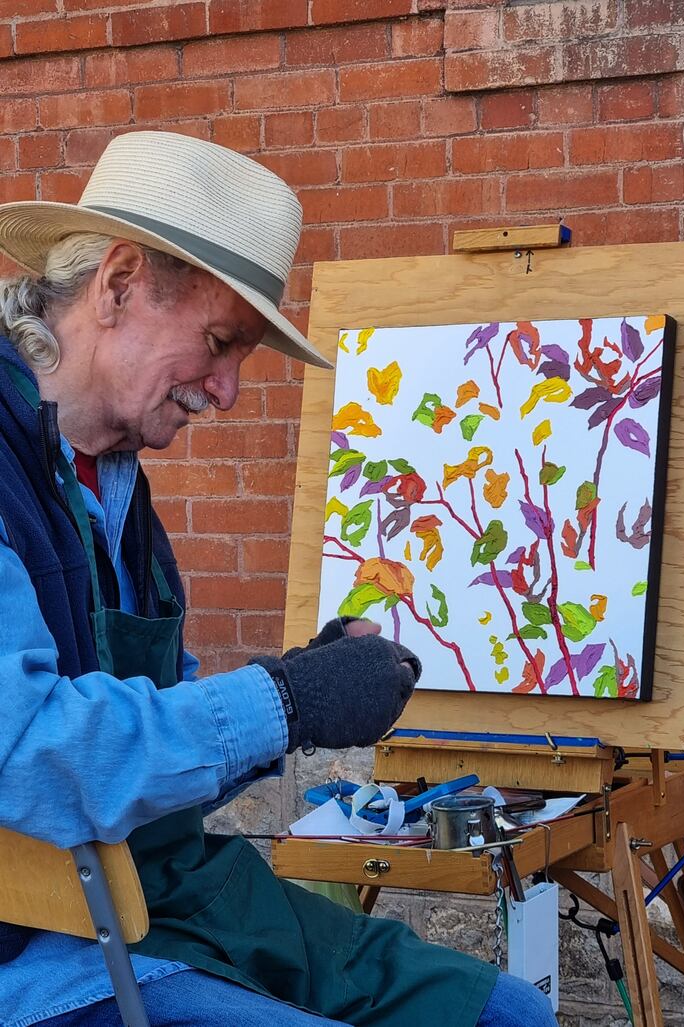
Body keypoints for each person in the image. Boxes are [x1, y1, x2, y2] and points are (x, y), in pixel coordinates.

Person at [0, 131, 557, 1026]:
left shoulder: (116, 486)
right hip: (41, 949)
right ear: (118, 284)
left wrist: (299, 692)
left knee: (509, 1015)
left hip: (165, 900)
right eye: (219, 343)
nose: (225, 391)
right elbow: (25, 758)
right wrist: (284, 702)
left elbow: (155, 763)